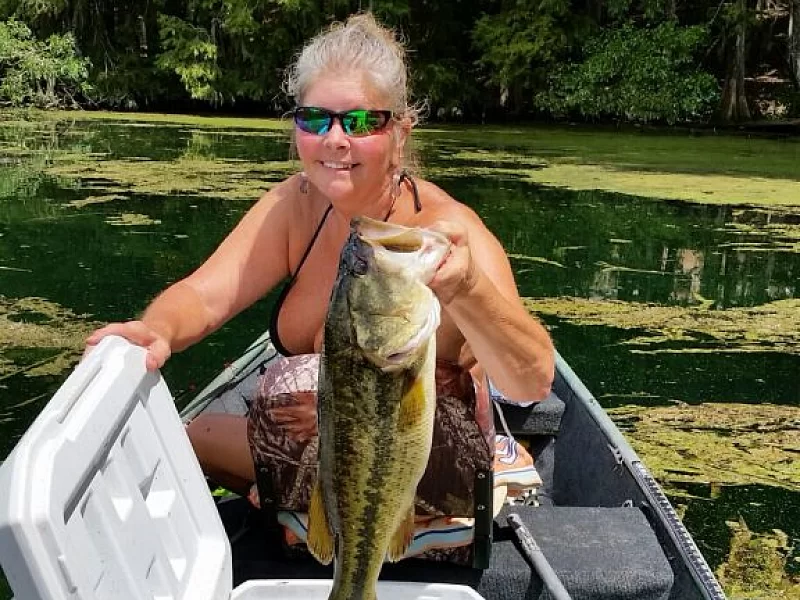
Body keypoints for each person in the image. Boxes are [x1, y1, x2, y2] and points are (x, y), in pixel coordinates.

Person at [85, 13, 554, 526]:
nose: (335, 139)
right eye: (315, 119)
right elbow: (204, 296)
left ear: (399, 133)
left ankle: (422, 507)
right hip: (327, 454)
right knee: (190, 437)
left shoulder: (444, 232)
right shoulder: (296, 206)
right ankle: (307, 509)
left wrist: (467, 288)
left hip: (422, 472)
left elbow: (530, 380)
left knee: (298, 384)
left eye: (358, 122)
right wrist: (158, 331)